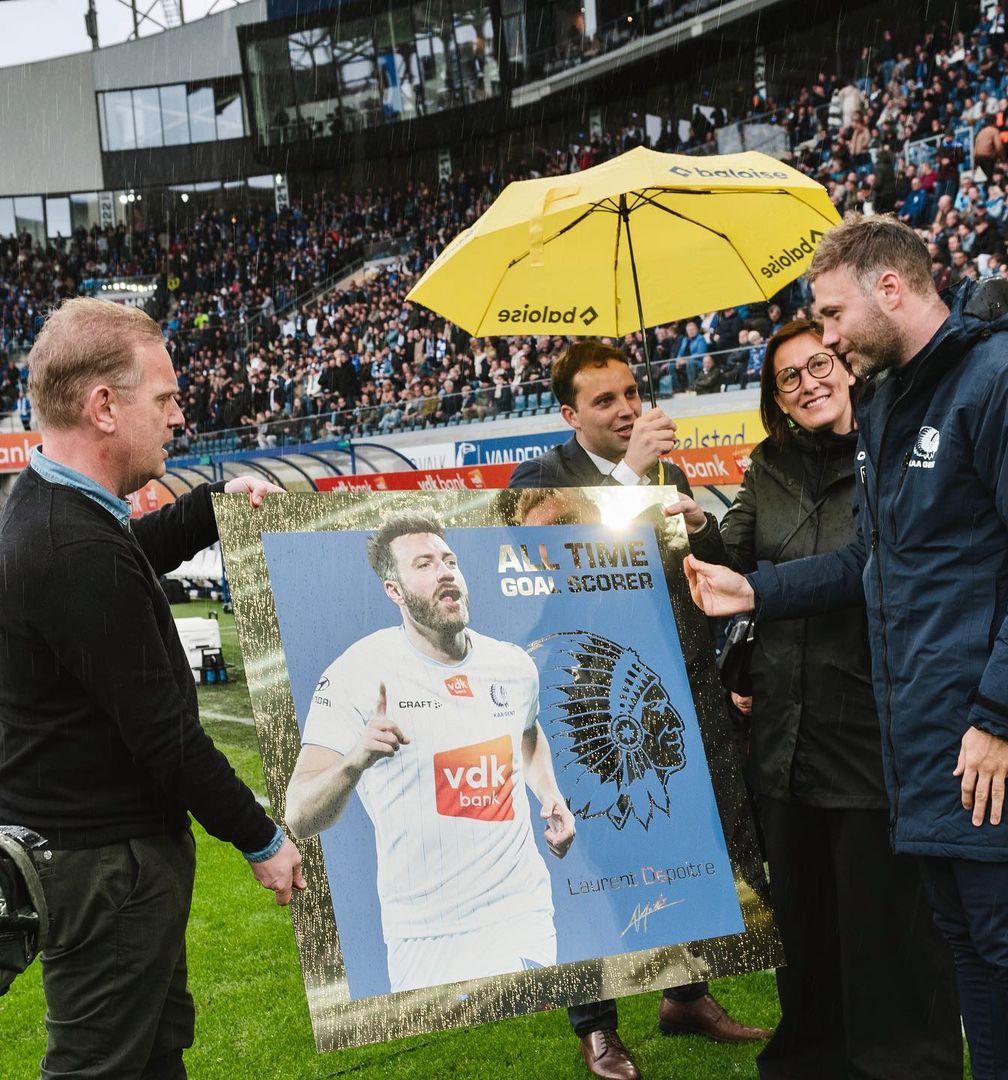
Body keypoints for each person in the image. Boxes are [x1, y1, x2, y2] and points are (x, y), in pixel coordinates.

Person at [684, 215, 1008, 1080]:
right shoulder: (893, 399)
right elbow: (873, 561)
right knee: (968, 943)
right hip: (922, 737)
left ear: (890, 289)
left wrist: (1002, 717)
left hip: (990, 734)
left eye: (832, 314)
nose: (825, 337)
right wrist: (755, 591)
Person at [0, 297, 304, 1080]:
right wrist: (262, 840)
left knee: (154, 1056)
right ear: (104, 406)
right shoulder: (72, 546)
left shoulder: (54, 510)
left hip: (101, 852)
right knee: (101, 1067)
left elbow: (125, 558)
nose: (178, 415)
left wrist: (212, 507)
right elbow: (166, 736)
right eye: (165, 398)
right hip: (107, 864)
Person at [668, 318, 961, 1077]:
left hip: (870, 730)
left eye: (819, 364)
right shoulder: (768, 466)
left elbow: (869, 568)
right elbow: (730, 561)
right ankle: (810, 1060)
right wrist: (698, 527)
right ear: (776, 399)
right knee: (802, 928)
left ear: (850, 367)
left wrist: (758, 590)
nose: (807, 383)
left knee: (884, 926)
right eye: (788, 377)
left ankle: (902, 1064)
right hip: (784, 738)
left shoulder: (896, 451)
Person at [510, 341, 769, 1080]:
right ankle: (595, 1027)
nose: (625, 408)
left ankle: (685, 996)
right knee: (592, 864)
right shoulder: (538, 480)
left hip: (670, 696)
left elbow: (710, 579)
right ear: (570, 415)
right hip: (583, 706)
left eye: (630, 392)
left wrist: (699, 525)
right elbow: (552, 573)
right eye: (605, 400)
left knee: (681, 847)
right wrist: (625, 480)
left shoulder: (668, 474)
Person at [285, 511, 575, 993]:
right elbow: (299, 815)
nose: (444, 572)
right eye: (423, 564)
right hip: (424, 933)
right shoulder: (357, 673)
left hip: (520, 912)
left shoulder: (512, 665)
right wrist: (355, 761)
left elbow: (527, 734)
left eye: (449, 561)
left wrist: (550, 793)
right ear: (394, 591)